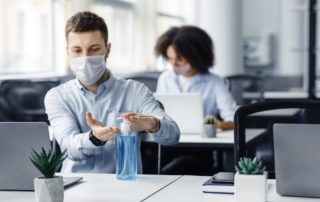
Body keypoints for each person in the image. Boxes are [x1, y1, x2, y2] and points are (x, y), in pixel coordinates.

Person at [45, 11, 180, 173]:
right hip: (78, 189)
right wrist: (95, 138)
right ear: (68, 52)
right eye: (77, 50)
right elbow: (68, 147)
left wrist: (152, 123)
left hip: (126, 186)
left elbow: (173, 136)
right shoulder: (57, 96)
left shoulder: (135, 90)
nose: (85, 57)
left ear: (107, 50)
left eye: (94, 49)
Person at [155, 26, 237, 130]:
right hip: (169, 137)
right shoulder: (165, 78)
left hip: (200, 140)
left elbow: (234, 118)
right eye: (170, 58)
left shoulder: (215, 82)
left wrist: (220, 125)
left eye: (179, 59)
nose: (174, 64)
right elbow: (157, 112)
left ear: (196, 57)